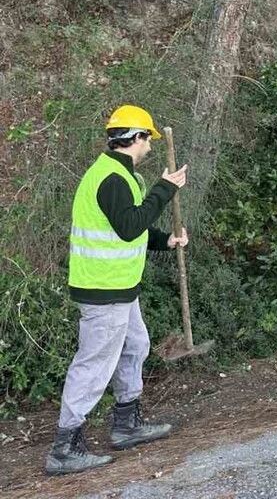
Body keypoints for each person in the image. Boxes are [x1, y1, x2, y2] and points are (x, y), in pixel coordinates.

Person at [46, 105, 189, 476]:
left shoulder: (123, 176)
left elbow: (133, 227)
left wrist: (165, 240)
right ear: (136, 138)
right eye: (148, 139)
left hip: (120, 287)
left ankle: (126, 423)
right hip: (103, 290)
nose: (150, 147)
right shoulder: (110, 177)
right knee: (94, 363)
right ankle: (65, 447)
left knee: (136, 346)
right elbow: (127, 226)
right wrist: (165, 188)